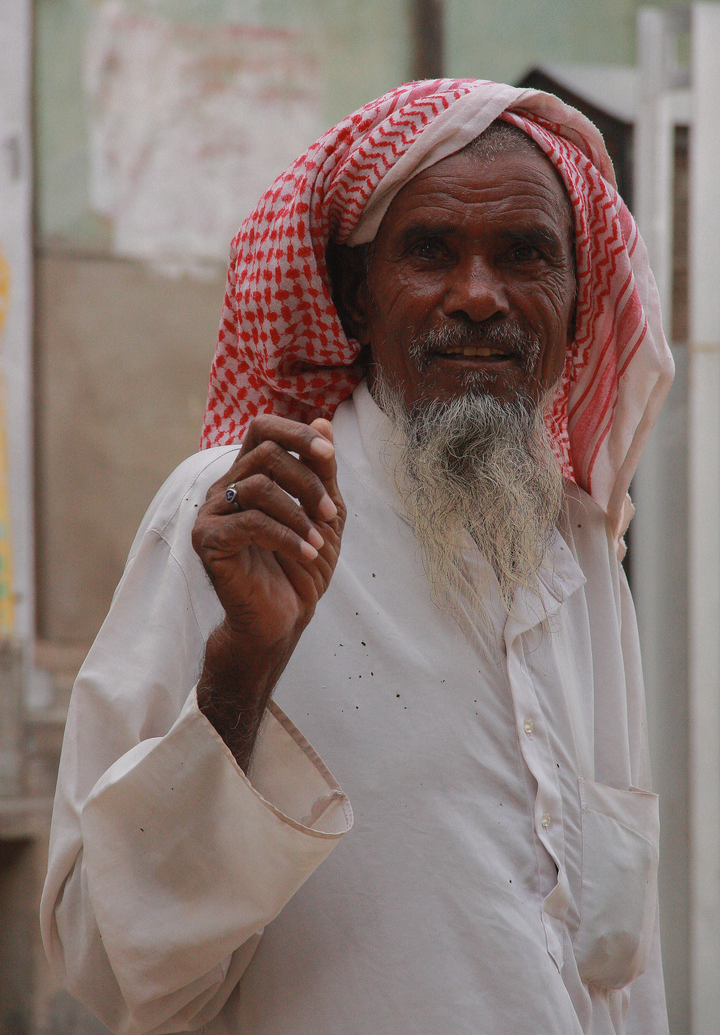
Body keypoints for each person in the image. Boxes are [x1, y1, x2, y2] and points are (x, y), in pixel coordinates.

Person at [41, 80, 674, 1035]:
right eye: (429, 252)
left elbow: (619, 966)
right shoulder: (236, 516)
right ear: (353, 297)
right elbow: (108, 963)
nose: (475, 295)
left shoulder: (577, 544)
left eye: (524, 256)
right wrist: (240, 672)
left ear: (577, 303)